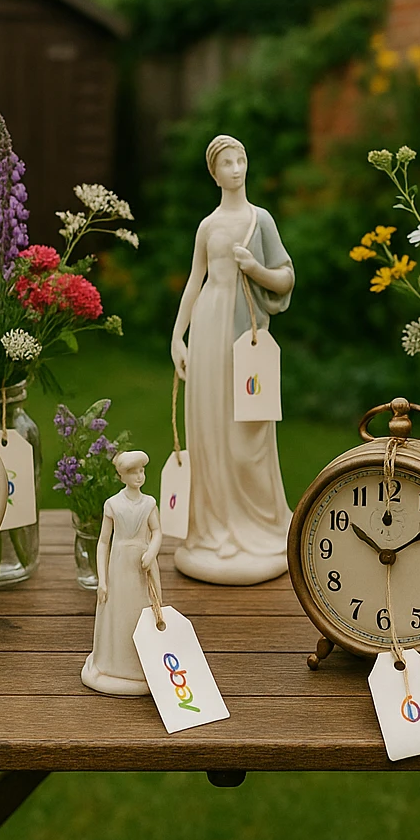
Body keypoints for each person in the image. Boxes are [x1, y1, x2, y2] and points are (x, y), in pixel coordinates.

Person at [168, 134, 295, 585]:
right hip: (208, 327)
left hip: (245, 335)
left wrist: (254, 268)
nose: (237, 168)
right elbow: (193, 281)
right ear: (214, 172)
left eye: (241, 158)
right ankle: (215, 527)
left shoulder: (260, 221)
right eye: (227, 161)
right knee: (210, 427)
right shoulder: (208, 226)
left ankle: (260, 524)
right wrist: (178, 337)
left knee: (248, 433)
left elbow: (284, 278)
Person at [81, 450, 162, 696]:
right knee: (117, 614)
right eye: (133, 472)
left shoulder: (149, 503)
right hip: (119, 566)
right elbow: (103, 542)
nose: (139, 476)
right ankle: (113, 663)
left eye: (142, 471)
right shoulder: (113, 504)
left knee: (142, 610)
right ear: (121, 476)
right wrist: (102, 579)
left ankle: (142, 664)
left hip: (141, 566)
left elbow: (157, 531)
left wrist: (151, 552)